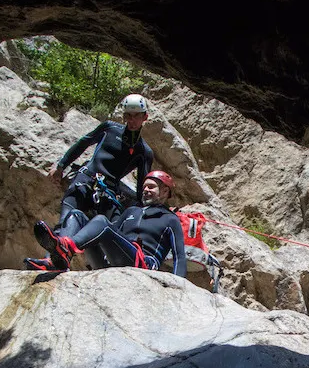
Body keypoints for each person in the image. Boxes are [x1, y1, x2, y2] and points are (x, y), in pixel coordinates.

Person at [24, 93, 155, 270]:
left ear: (144, 117)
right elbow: (83, 143)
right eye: (128, 116)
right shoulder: (109, 128)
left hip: (109, 193)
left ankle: (109, 266)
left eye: (136, 116)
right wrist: (62, 165)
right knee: (67, 219)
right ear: (123, 116)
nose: (131, 120)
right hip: (86, 179)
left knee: (113, 230)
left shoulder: (144, 151)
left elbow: (141, 189)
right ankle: (52, 261)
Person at [31, 171, 187, 277]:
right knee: (76, 215)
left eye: (151, 187)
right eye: (144, 186)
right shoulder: (131, 211)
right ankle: (56, 261)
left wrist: (179, 287)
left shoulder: (170, 219)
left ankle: (66, 247)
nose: (145, 190)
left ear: (165, 192)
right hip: (112, 261)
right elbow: (112, 235)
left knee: (102, 222)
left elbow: (179, 256)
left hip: (142, 265)